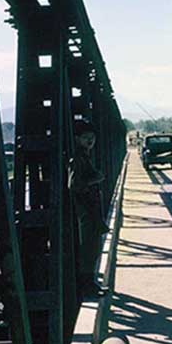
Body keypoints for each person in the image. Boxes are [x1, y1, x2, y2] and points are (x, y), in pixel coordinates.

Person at [68, 119, 110, 298]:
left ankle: (91, 282)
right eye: (86, 138)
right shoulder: (77, 158)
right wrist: (97, 179)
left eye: (92, 138)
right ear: (77, 138)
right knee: (89, 248)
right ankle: (88, 285)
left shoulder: (84, 155)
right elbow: (74, 184)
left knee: (92, 247)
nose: (90, 141)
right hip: (85, 210)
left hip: (89, 209)